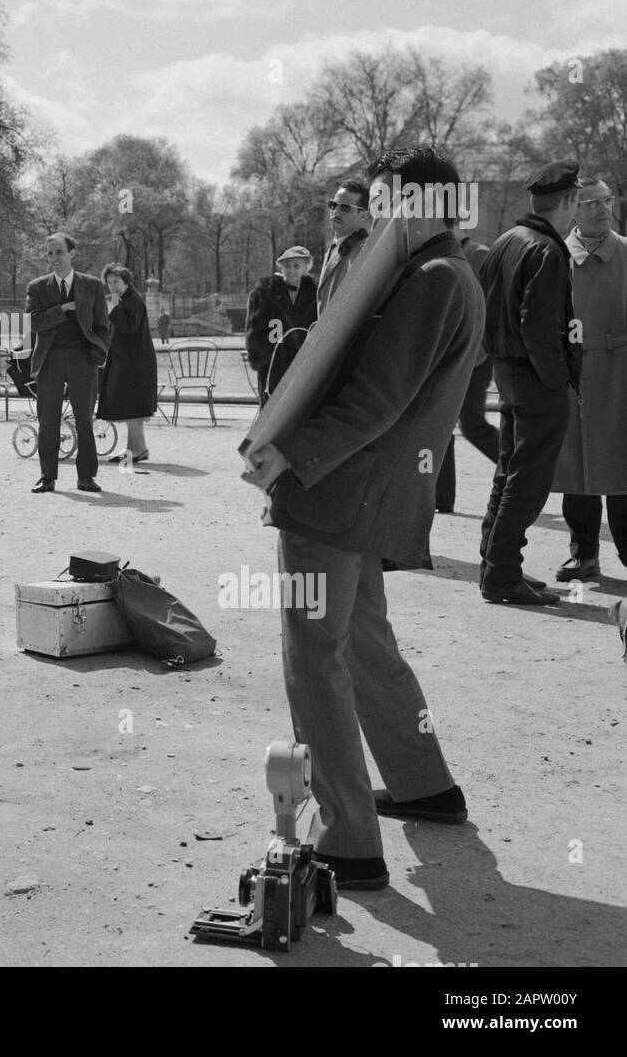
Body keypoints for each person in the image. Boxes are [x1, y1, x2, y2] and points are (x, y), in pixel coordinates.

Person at [243, 146, 483, 892]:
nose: (378, 218)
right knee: (367, 640)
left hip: (342, 491)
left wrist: (289, 453)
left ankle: (347, 842)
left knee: (314, 655)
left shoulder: (432, 278)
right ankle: (423, 787)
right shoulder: (439, 272)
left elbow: (375, 399)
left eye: (387, 203)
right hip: (367, 494)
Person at [478, 161, 582, 605]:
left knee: (508, 472)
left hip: (509, 373)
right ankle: (501, 575)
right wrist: (559, 382)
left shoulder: (506, 240)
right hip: (538, 380)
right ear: (568, 202)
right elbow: (539, 327)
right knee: (528, 479)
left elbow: (487, 309)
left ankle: (495, 565)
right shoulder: (547, 249)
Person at [551, 178, 627, 581]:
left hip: (621, 374)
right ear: (572, 208)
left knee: (622, 470)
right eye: (591, 202)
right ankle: (584, 555)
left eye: (607, 200)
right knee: (576, 471)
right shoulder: (555, 256)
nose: (602, 208)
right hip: (573, 376)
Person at [25, 232, 111, 493]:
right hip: (49, 359)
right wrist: (63, 310)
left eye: (59, 252)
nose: (54, 258)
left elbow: (102, 326)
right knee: (47, 420)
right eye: (50, 253)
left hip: (82, 359)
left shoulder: (93, 285)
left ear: (72, 253)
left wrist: (99, 351)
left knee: (84, 419)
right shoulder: (37, 287)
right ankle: (47, 477)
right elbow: (35, 322)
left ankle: (86, 477)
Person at [434, 234, 500, 513]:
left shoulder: (478, 254)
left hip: (476, 357)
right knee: (439, 424)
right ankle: (442, 498)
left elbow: (493, 307)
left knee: (472, 424)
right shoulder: (435, 254)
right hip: (448, 357)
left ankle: (523, 473)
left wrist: (480, 348)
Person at [97, 264, 157, 463]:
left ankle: (137, 449)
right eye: (109, 282)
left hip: (134, 363)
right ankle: (136, 448)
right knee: (131, 405)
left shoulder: (132, 301)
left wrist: (113, 308)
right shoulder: (127, 299)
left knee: (132, 405)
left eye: (116, 281)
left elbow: (129, 327)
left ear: (126, 282)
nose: (112, 285)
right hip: (130, 361)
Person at [244, 246, 317, 403]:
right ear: (281, 268)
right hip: (273, 363)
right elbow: (253, 329)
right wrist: (260, 357)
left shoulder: (316, 294)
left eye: (296, 266)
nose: (291, 270)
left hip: (304, 363)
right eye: (287, 265)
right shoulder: (263, 294)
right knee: (272, 407)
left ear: (306, 267)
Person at [316, 178, 371, 314]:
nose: (336, 212)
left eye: (345, 208)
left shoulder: (363, 252)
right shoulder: (334, 247)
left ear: (363, 215)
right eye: (333, 205)